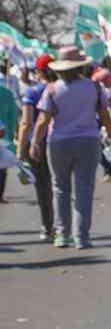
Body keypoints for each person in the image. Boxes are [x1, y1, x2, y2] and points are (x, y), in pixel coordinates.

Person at [29, 47, 111, 249]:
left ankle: (62, 234)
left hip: (59, 142)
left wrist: (34, 142)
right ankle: (82, 237)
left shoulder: (52, 89)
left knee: (60, 188)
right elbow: (104, 114)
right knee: (84, 188)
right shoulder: (94, 88)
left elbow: (43, 120)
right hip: (88, 141)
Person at [16, 55, 56, 239]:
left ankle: (47, 226)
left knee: (43, 187)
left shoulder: (32, 92)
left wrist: (20, 151)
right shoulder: (62, 88)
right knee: (62, 186)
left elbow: (26, 123)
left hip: (38, 144)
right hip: (61, 141)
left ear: (39, 71)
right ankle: (64, 225)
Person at [0, 81, 18, 203]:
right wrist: (11, 135)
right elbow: (13, 116)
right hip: (4, 137)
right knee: (1, 167)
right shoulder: (7, 93)